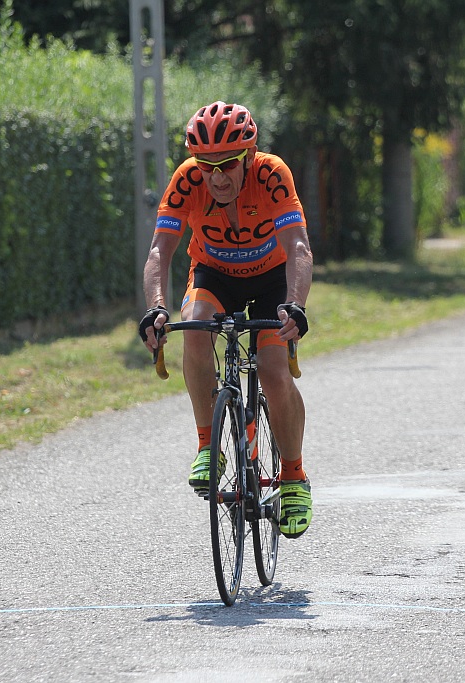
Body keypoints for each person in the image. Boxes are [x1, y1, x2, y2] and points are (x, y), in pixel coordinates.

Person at [138, 101, 314, 539]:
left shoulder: (272, 174)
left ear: (249, 158)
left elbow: (297, 248)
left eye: (228, 165)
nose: (216, 177)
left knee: (273, 374)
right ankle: (207, 445)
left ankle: (293, 477)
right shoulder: (186, 181)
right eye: (206, 165)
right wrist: (156, 308)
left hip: (273, 280)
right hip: (214, 274)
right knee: (193, 326)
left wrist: (295, 304)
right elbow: (160, 251)